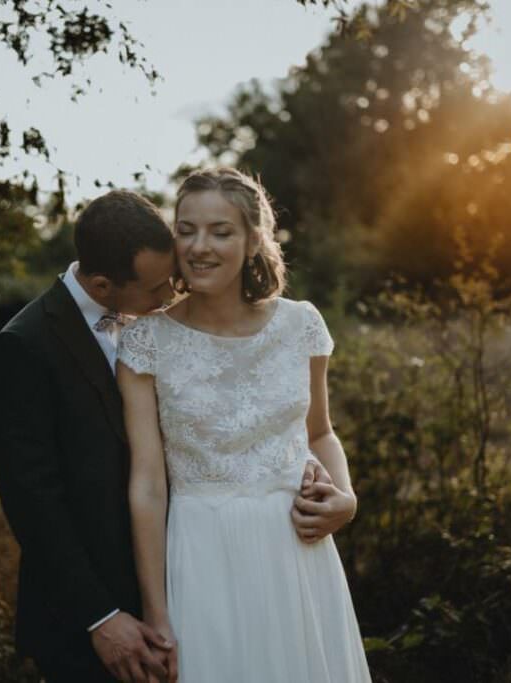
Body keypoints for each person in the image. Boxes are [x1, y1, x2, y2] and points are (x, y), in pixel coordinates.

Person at [117, 167, 373, 682]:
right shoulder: (147, 343)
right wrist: (157, 610)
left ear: (254, 239)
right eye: (186, 230)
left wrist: (345, 499)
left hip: (295, 555)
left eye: (221, 231)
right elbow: (147, 484)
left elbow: (320, 433)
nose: (199, 246)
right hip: (201, 553)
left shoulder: (300, 325)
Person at [0, 190, 179, 682]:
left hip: (170, 591)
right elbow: (32, 500)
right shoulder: (25, 346)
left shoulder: (158, 329)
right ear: (102, 284)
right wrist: (100, 617)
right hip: (86, 619)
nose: (171, 295)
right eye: (157, 287)